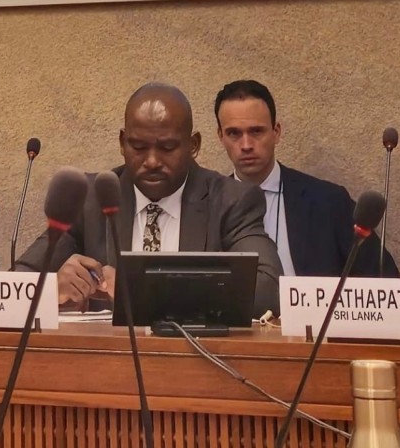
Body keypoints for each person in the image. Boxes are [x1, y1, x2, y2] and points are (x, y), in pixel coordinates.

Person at [15, 83, 282, 316]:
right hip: (107, 354)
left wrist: (139, 289)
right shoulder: (91, 198)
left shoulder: (230, 200)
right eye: (139, 147)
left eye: (167, 148)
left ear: (193, 145)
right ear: (122, 142)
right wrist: (51, 288)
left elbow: (269, 291)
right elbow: (13, 285)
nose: (152, 161)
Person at [214, 80, 399, 279]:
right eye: (234, 133)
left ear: (276, 132)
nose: (246, 145)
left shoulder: (329, 202)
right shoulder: (209, 207)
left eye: (256, 131)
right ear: (220, 136)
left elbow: (385, 280)